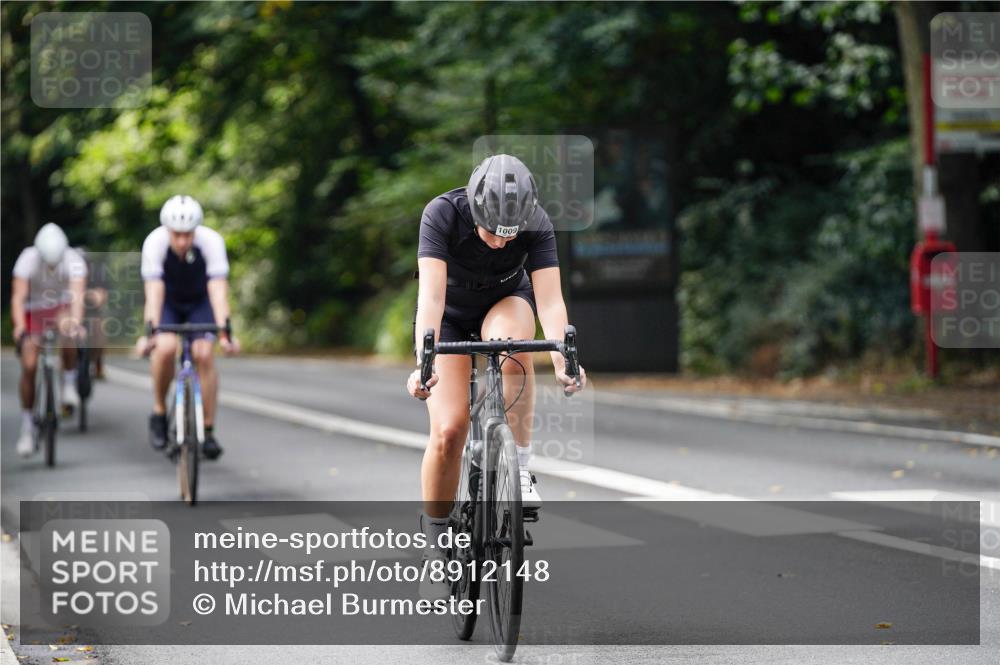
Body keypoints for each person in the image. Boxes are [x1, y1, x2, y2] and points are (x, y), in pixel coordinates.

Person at [406, 154, 587, 599]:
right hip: (448, 316)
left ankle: (520, 469)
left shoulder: (537, 222)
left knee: (516, 349)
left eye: (510, 235)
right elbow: (429, 297)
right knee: (449, 430)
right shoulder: (442, 214)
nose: (500, 243)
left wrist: (565, 359)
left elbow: (550, 302)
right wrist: (422, 363)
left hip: (505, 304)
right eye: (491, 232)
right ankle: (436, 529)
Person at [134, 195, 240, 459]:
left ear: (196, 230)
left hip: (199, 302)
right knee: (167, 347)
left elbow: (217, 291)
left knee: (204, 353)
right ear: (167, 230)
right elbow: (154, 293)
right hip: (168, 302)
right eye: (177, 234)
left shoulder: (211, 242)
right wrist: (151, 333)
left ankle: (208, 429)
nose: (182, 241)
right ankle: (159, 411)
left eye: (188, 235)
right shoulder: (154, 243)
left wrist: (226, 333)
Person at [10, 223, 88, 457]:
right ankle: (27, 426)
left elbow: (77, 297)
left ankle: (69, 382)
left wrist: (76, 322)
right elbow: (18, 297)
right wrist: (20, 327)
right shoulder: (28, 259)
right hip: (33, 309)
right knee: (30, 364)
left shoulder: (73, 259)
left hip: (60, 307)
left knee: (69, 327)